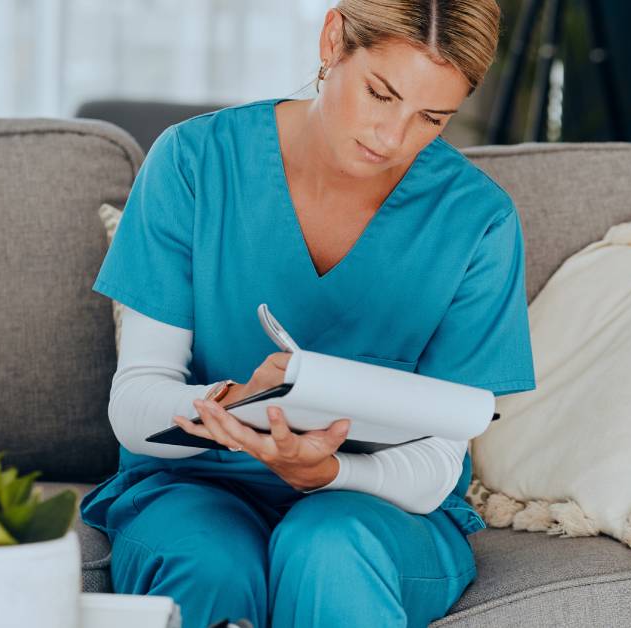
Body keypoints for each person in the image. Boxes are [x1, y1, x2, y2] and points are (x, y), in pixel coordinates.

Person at [79, 2, 535, 626]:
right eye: (380, 94)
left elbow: (437, 464)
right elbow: (134, 407)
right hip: (194, 490)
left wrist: (329, 471)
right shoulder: (195, 161)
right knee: (209, 561)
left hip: (377, 510)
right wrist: (235, 404)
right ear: (333, 40)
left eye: (432, 118)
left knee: (330, 549)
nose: (391, 138)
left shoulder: (477, 220)